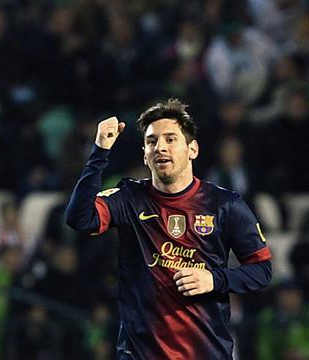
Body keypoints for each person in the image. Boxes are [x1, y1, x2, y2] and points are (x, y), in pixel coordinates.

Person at [65, 98, 272, 359]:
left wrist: (215, 279)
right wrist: (99, 152)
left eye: (171, 139)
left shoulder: (224, 204)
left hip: (204, 351)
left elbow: (262, 270)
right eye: (152, 141)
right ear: (144, 154)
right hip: (140, 353)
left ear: (192, 149)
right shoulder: (129, 197)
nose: (160, 147)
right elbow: (79, 219)